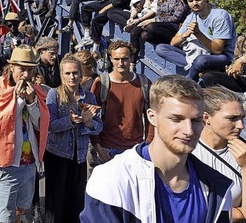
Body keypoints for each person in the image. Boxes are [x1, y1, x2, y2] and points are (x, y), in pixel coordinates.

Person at [81, 75, 233, 222]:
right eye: (176, 119)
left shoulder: (218, 187)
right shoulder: (112, 179)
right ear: (152, 117)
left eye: (196, 120)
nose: (189, 130)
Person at [0, 45, 50, 223]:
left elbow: (40, 124)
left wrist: (31, 102)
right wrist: (19, 100)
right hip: (7, 164)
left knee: (21, 208)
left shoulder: (37, 89)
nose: (26, 75)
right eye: (22, 69)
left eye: (30, 69)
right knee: (5, 216)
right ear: (12, 66)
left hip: (29, 162)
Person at [45, 55, 102, 223]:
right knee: (56, 204)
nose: (72, 77)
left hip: (79, 157)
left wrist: (88, 123)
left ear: (81, 73)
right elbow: (51, 125)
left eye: (75, 73)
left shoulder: (89, 97)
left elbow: (99, 126)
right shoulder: (54, 95)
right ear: (62, 75)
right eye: (68, 73)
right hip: (57, 155)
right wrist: (70, 121)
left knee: (76, 202)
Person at [89, 40, 153, 172]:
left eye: (124, 58)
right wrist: (98, 147)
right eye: (116, 59)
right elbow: (91, 117)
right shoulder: (101, 84)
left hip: (135, 149)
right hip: (107, 148)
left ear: (131, 59)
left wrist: (147, 145)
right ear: (111, 59)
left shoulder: (144, 83)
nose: (120, 63)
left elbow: (151, 118)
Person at [156, 0, 236, 80]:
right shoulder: (192, 16)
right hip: (196, 55)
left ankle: (189, 79)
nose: (194, 3)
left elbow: (218, 50)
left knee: (201, 60)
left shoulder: (220, 16)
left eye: (198, 0)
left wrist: (197, 33)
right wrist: (185, 35)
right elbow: (173, 42)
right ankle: (197, 69)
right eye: (190, 1)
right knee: (161, 48)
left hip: (220, 57)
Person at [193, 86, 246, 220]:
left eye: (242, 118)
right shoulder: (187, 152)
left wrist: (245, 167)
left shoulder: (242, 153)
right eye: (232, 118)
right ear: (206, 117)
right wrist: (237, 214)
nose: (241, 125)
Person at [128, 0, 188, 64]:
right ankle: (132, 61)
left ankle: (174, 43)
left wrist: (154, 19)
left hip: (175, 27)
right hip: (161, 24)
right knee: (139, 32)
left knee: (150, 26)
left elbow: (176, 18)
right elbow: (160, 13)